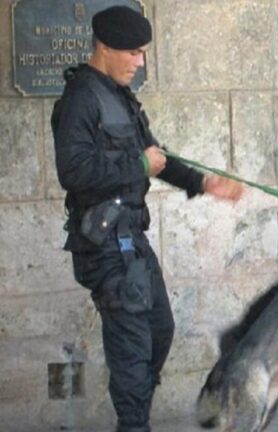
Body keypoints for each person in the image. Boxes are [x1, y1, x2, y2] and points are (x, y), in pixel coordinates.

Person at [51, 6, 243, 432]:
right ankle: (134, 423)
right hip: (103, 242)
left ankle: (134, 413)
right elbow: (74, 172)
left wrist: (203, 182)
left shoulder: (119, 95)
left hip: (130, 240)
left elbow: (157, 156)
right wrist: (138, 165)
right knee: (133, 347)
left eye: (143, 53)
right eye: (134, 53)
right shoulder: (82, 98)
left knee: (159, 329)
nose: (140, 62)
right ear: (104, 47)